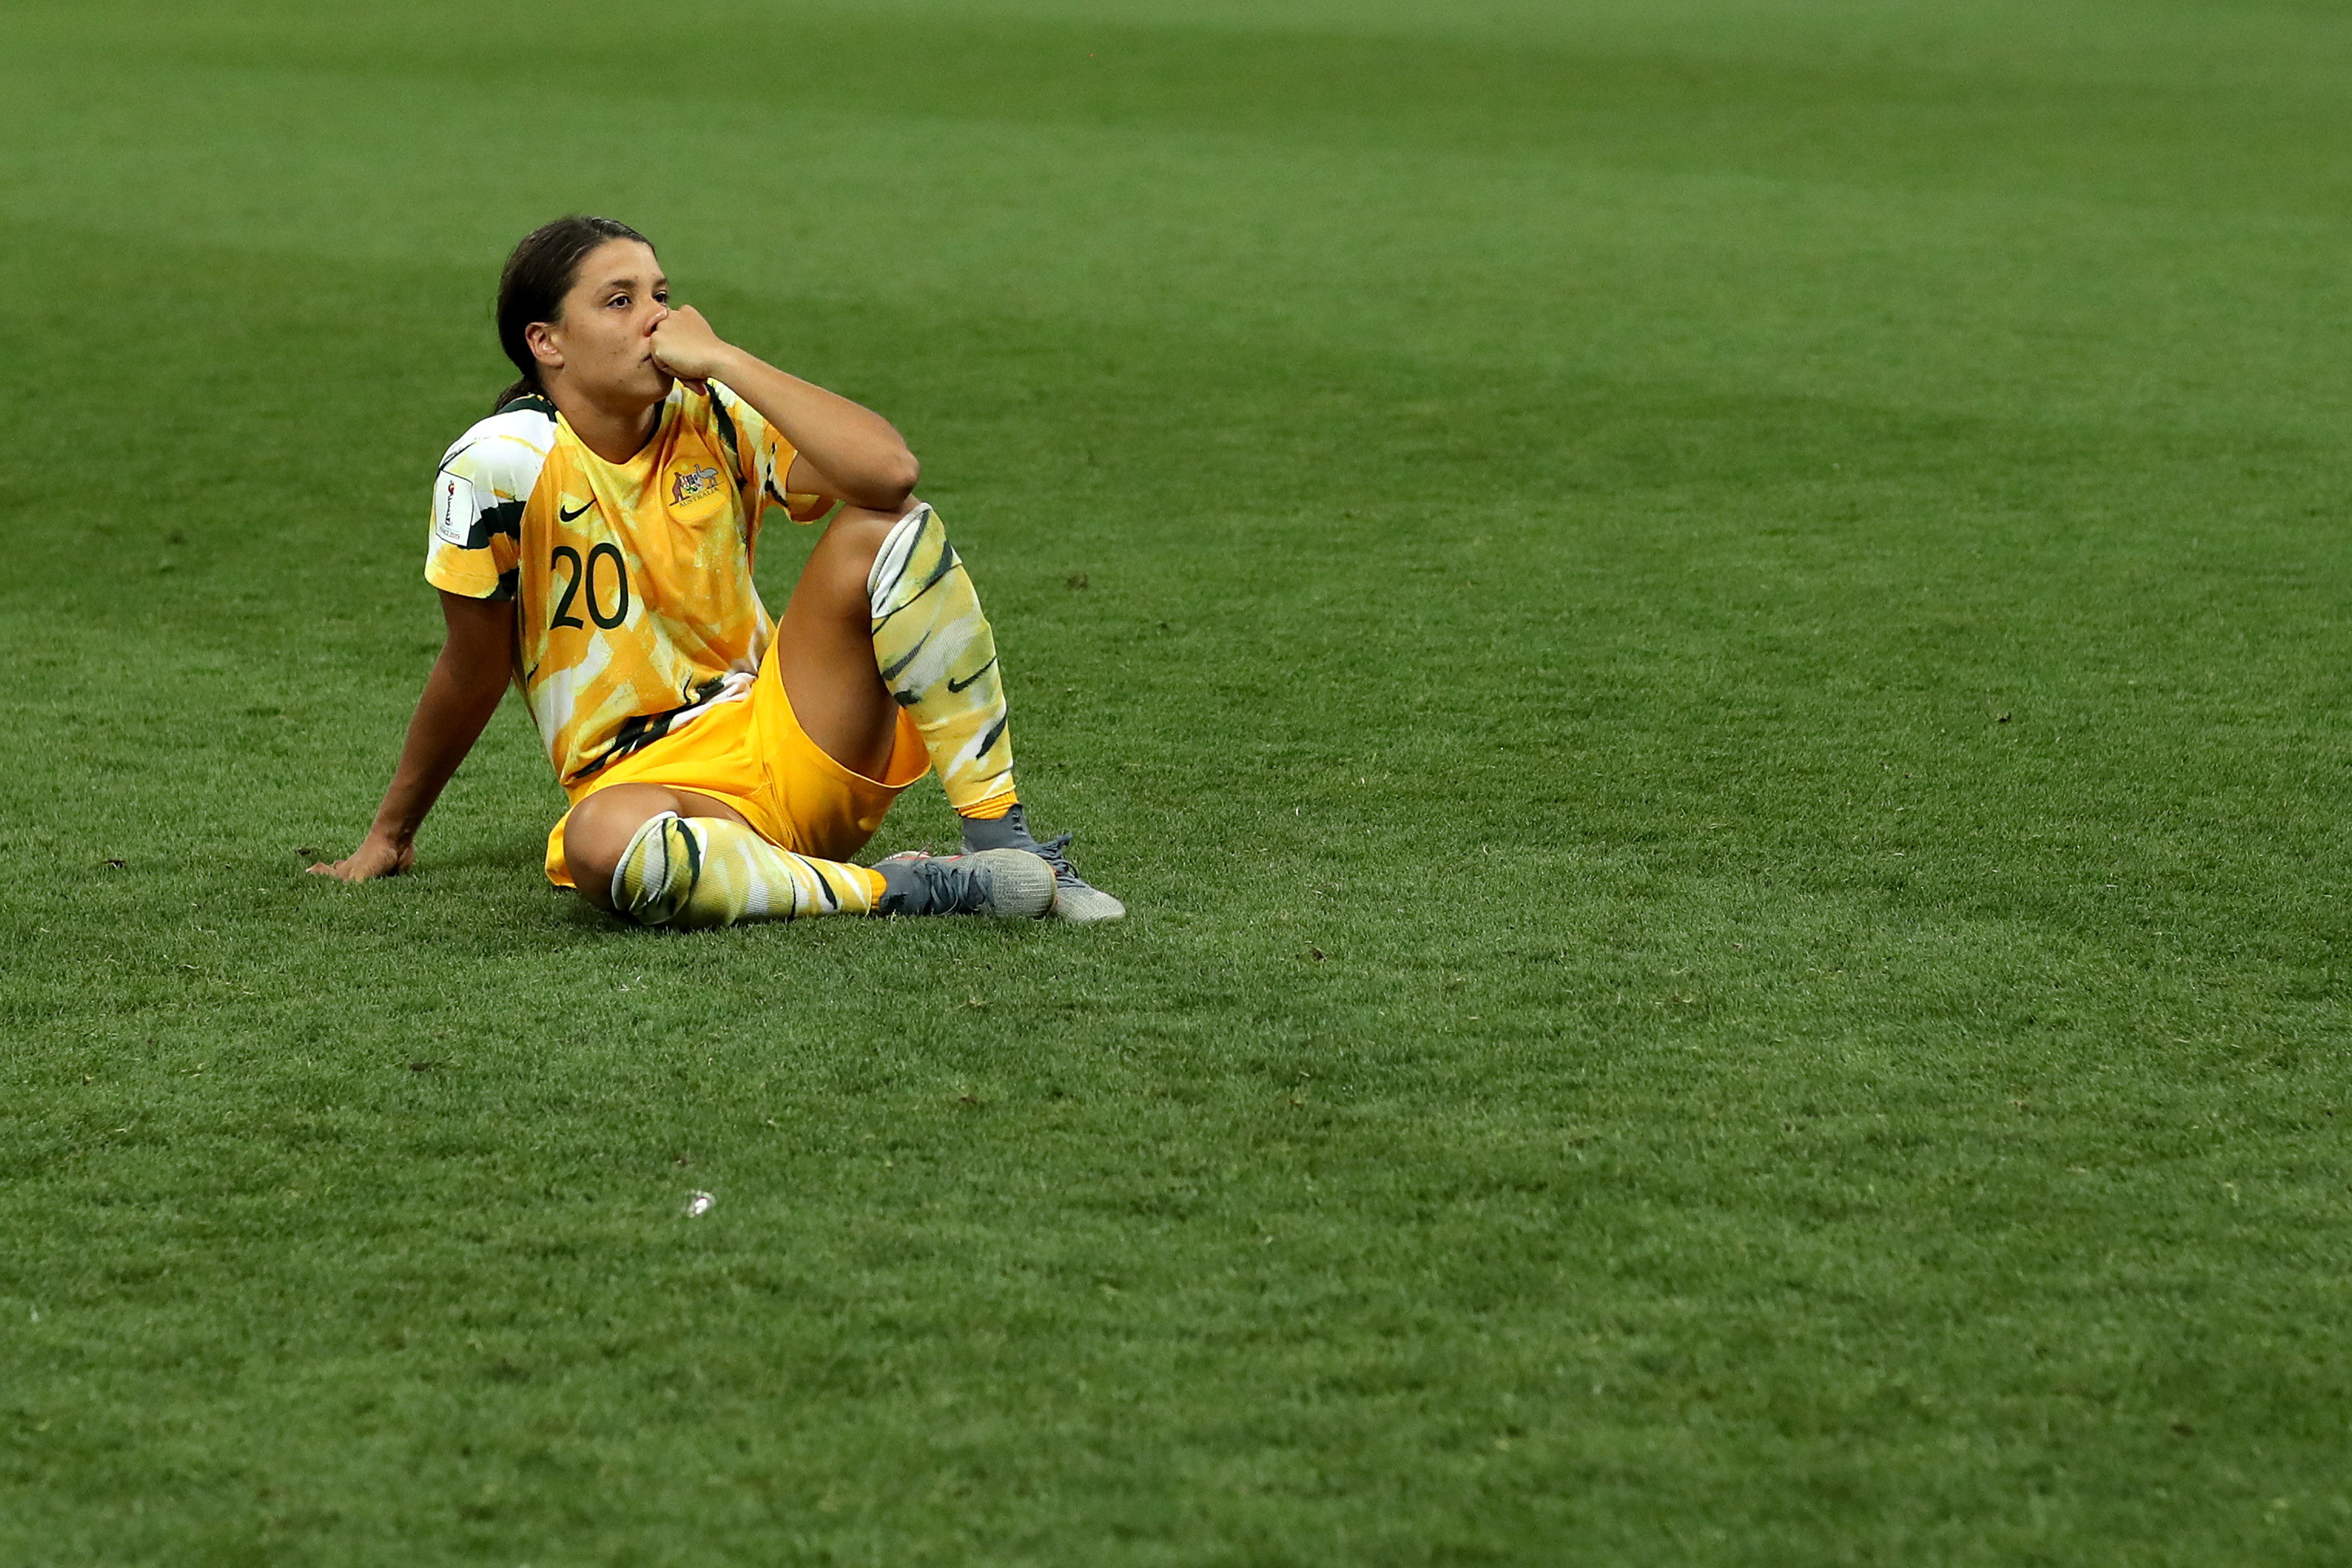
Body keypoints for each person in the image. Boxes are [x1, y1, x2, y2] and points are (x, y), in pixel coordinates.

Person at [310, 215, 1122, 927]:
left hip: (791, 733)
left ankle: (1004, 841)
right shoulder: (498, 466)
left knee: (885, 529)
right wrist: (392, 833)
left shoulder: (710, 413)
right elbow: (472, 665)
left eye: (661, 296)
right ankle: (913, 888)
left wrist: (727, 360)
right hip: (657, 792)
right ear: (546, 343)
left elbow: (888, 472)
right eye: (619, 301)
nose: (656, 320)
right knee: (598, 841)